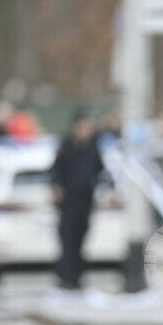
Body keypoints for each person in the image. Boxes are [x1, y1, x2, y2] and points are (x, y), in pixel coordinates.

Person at [50, 111, 104, 290]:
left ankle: (77, 277)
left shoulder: (93, 147)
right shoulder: (66, 146)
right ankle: (65, 276)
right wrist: (57, 187)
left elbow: (99, 170)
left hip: (85, 199)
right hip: (69, 200)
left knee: (81, 239)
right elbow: (56, 170)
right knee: (68, 239)